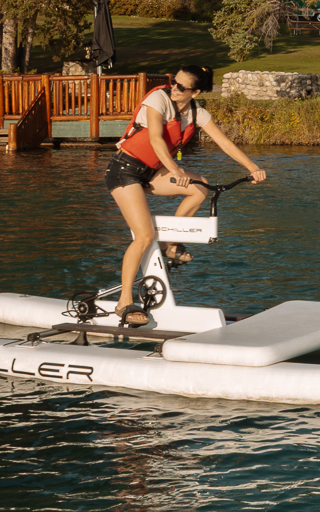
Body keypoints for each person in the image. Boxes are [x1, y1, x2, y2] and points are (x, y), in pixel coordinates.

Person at [107, 66, 267, 327]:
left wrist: (252, 167)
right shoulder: (158, 99)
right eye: (174, 82)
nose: (174, 88)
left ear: (197, 92)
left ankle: (169, 244)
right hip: (124, 170)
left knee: (200, 186)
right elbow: (157, 140)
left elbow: (224, 142)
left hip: (150, 172)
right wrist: (175, 169)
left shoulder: (197, 113)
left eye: (181, 87)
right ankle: (124, 301)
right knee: (145, 234)